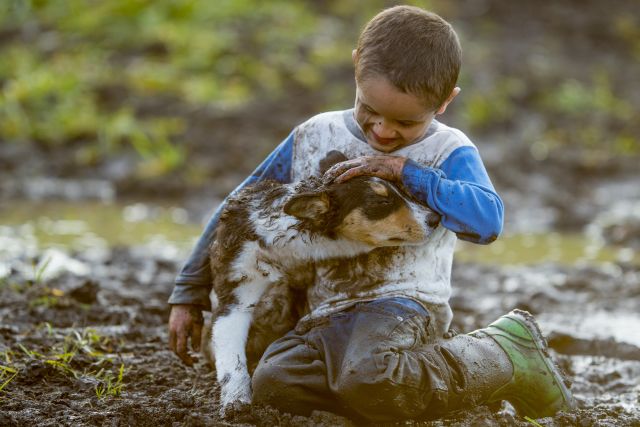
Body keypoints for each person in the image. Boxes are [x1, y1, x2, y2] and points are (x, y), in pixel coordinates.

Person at [168, 5, 576, 422]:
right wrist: (190, 289)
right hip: (326, 310)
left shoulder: (448, 151)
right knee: (275, 385)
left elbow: (488, 222)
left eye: (405, 121)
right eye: (370, 110)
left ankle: (503, 352)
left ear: (445, 102)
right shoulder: (314, 134)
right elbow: (239, 209)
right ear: (356, 66)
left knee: (368, 375)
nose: (382, 131)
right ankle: (390, 389)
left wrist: (408, 173)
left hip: (404, 305)